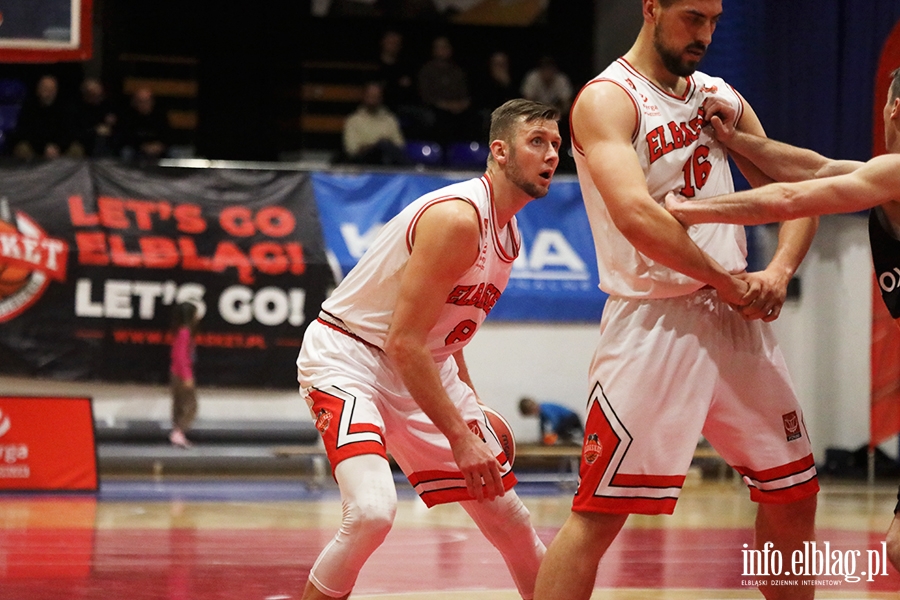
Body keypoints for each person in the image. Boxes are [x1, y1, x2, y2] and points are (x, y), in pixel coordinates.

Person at [533, 2, 820, 599]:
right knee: (599, 512)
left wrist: (778, 271)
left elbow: (793, 191)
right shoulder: (608, 98)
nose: (707, 34)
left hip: (735, 318)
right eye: (693, 17)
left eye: (715, 20)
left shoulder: (721, 97)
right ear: (651, 8)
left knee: (794, 492)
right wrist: (727, 279)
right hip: (654, 322)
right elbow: (637, 218)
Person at [296, 98, 561, 600]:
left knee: (509, 518)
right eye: (537, 142)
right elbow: (404, 340)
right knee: (372, 513)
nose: (550, 155)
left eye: (555, 145)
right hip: (350, 356)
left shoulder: (510, 233)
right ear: (500, 151)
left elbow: (444, 335)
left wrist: (472, 409)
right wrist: (461, 437)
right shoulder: (459, 219)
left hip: (418, 362)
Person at [665, 66, 900, 572]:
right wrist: (738, 140)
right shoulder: (884, 178)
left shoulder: (896, 174)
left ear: (892, 110)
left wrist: (692, 212)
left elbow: (793, 197)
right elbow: (814, 169)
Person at [416, 35, 476, 147]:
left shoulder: (457, 71)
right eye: (439, 47)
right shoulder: (427, 70)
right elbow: (426, 97)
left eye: (445, 47)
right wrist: (446, 105)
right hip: (437, 110)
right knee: (440, 120)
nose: (442, 50)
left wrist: (461, 104)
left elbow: (465, 95)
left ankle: (468, 154)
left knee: (473, 117)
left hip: (458, 109)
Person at [11, 74, 82, 161]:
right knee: (22, 149)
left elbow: (70, 132)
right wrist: (43, 147)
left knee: (77, 150)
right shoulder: (29, 107)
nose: (48, 92)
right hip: (36, 146)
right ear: (38, 90)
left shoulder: (65, 108)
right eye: (45, 89)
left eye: (51, 89)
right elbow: (25, 132)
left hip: (59, 147)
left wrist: (58, 147)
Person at [339, 81, 409, 166]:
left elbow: (399, 145)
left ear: (381, 98)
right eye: (370, 96)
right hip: (364, 163)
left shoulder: (390, 119)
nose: (373, 99)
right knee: (383, 146)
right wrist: (376, 146)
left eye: (376, 96)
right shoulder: (353, 120)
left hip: (389, 160)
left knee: (386, 148)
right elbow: (352, 150)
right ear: (364, 96)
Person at [169, 302, 200, 449]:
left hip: (176, 373)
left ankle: (177, 433)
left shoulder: (180, 331)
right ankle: (179, 432)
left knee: (179, 405)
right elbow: (180, 356)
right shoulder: (185, 332)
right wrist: (187, 376)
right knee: (191, 405)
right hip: (181, 374)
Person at [117, 85, 171, 162]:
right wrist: (142, 146)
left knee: (175, 153)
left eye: (146, 101)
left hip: (158, 149)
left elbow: (167, 135)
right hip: (137, 149)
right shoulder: (129, 116)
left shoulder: (160, 115)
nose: (143, 104)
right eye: (140, 101)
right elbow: (126, 137)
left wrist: (160, 146)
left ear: (152, 101)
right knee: (126, 151)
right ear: (134, 102)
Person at [73, 77, 118, 158]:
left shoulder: (107, 105)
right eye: (92, 94)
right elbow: (78, 131)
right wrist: (96, 130)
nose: (97, 97)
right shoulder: (79, 108)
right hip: (87, 141)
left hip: (109, 140)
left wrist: (111, 124)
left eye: (99, 93)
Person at [518, 396, 584, 445]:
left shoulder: (544, 408)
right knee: (562, 434)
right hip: (569, 419)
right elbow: (542, 425)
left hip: (571, 418)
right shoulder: (541, 413)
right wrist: (542, 436)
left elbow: (555, 420)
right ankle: (569, 440)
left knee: (560, 431)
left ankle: (570, 441)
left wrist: (552, 432)